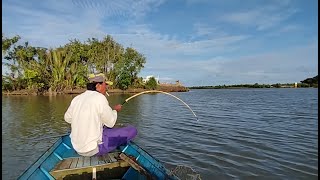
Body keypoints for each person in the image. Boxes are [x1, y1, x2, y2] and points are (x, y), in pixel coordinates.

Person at [64, 73, 137, 156]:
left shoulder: (77, 98)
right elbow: (111, 123)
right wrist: (115, 110)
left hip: (76, 147)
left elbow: (68, 118)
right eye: (105, 85)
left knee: (104, 127)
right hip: (93, 149)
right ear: (98, 85)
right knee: (132, 130)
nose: (106, 88)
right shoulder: (100, 98)